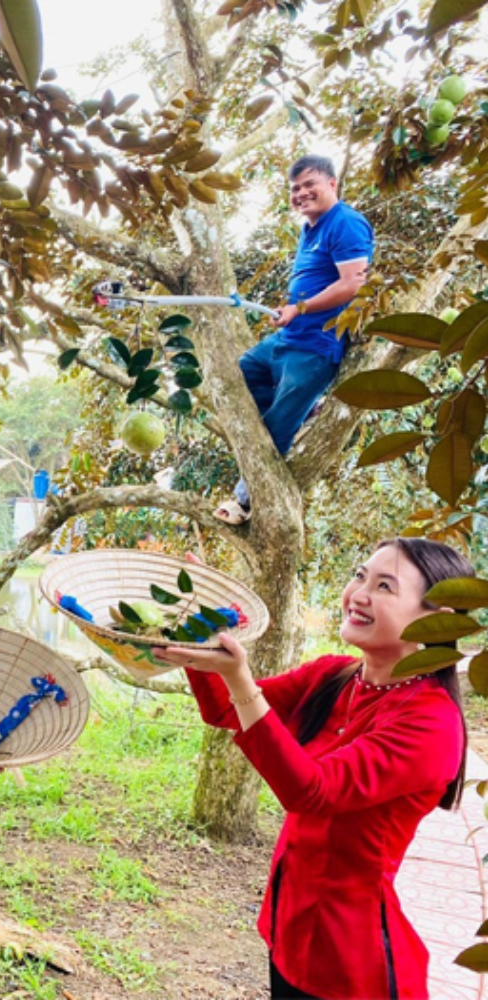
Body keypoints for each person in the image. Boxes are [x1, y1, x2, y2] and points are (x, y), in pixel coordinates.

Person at [157, 537, 470, 999]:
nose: (358, 594)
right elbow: (228, 709)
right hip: (289, 925)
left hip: (352, 962)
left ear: (436, 619)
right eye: (359, 575)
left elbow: (312, 792)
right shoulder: (335, 676)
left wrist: (239, 678)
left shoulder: (431, 722)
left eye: (385, 586)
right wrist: (199, 640)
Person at [215, 155, 374, 525]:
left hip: (316, 346)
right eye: (295, 188)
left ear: (332, 184)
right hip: (288, 337)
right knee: (242, 372)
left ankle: (244, 502)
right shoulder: (310, 229)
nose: (301, 193)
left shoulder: (346, 223)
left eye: (309, 184)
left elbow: (354, 283)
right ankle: (297, 415)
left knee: (273, 431)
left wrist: (299, 307)